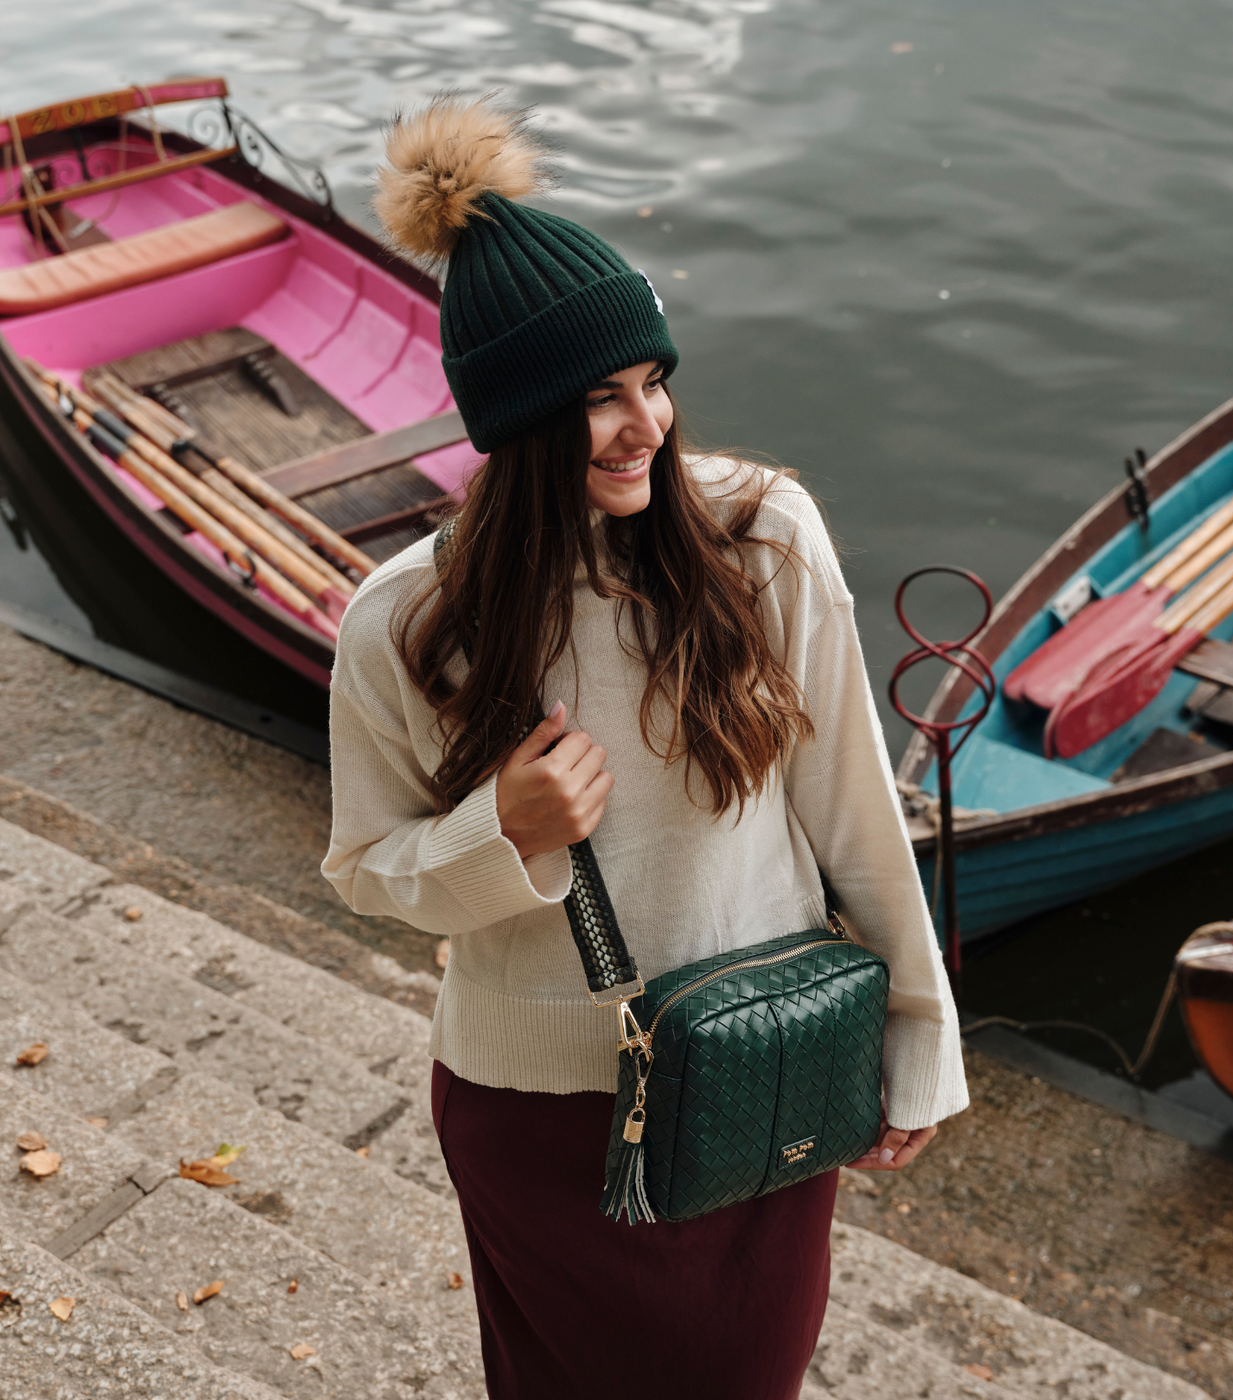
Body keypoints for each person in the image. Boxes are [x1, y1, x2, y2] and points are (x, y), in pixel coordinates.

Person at [322, 95, 968, 1400]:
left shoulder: (765, 541)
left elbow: (854, 809)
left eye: (653, 382)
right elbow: (365, 872)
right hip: (532, 1115)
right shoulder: (404, 622)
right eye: (597, 400)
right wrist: (497, 833)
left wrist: (918, 1040)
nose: (647, 426)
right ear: (514, 419)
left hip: (760, 1064)